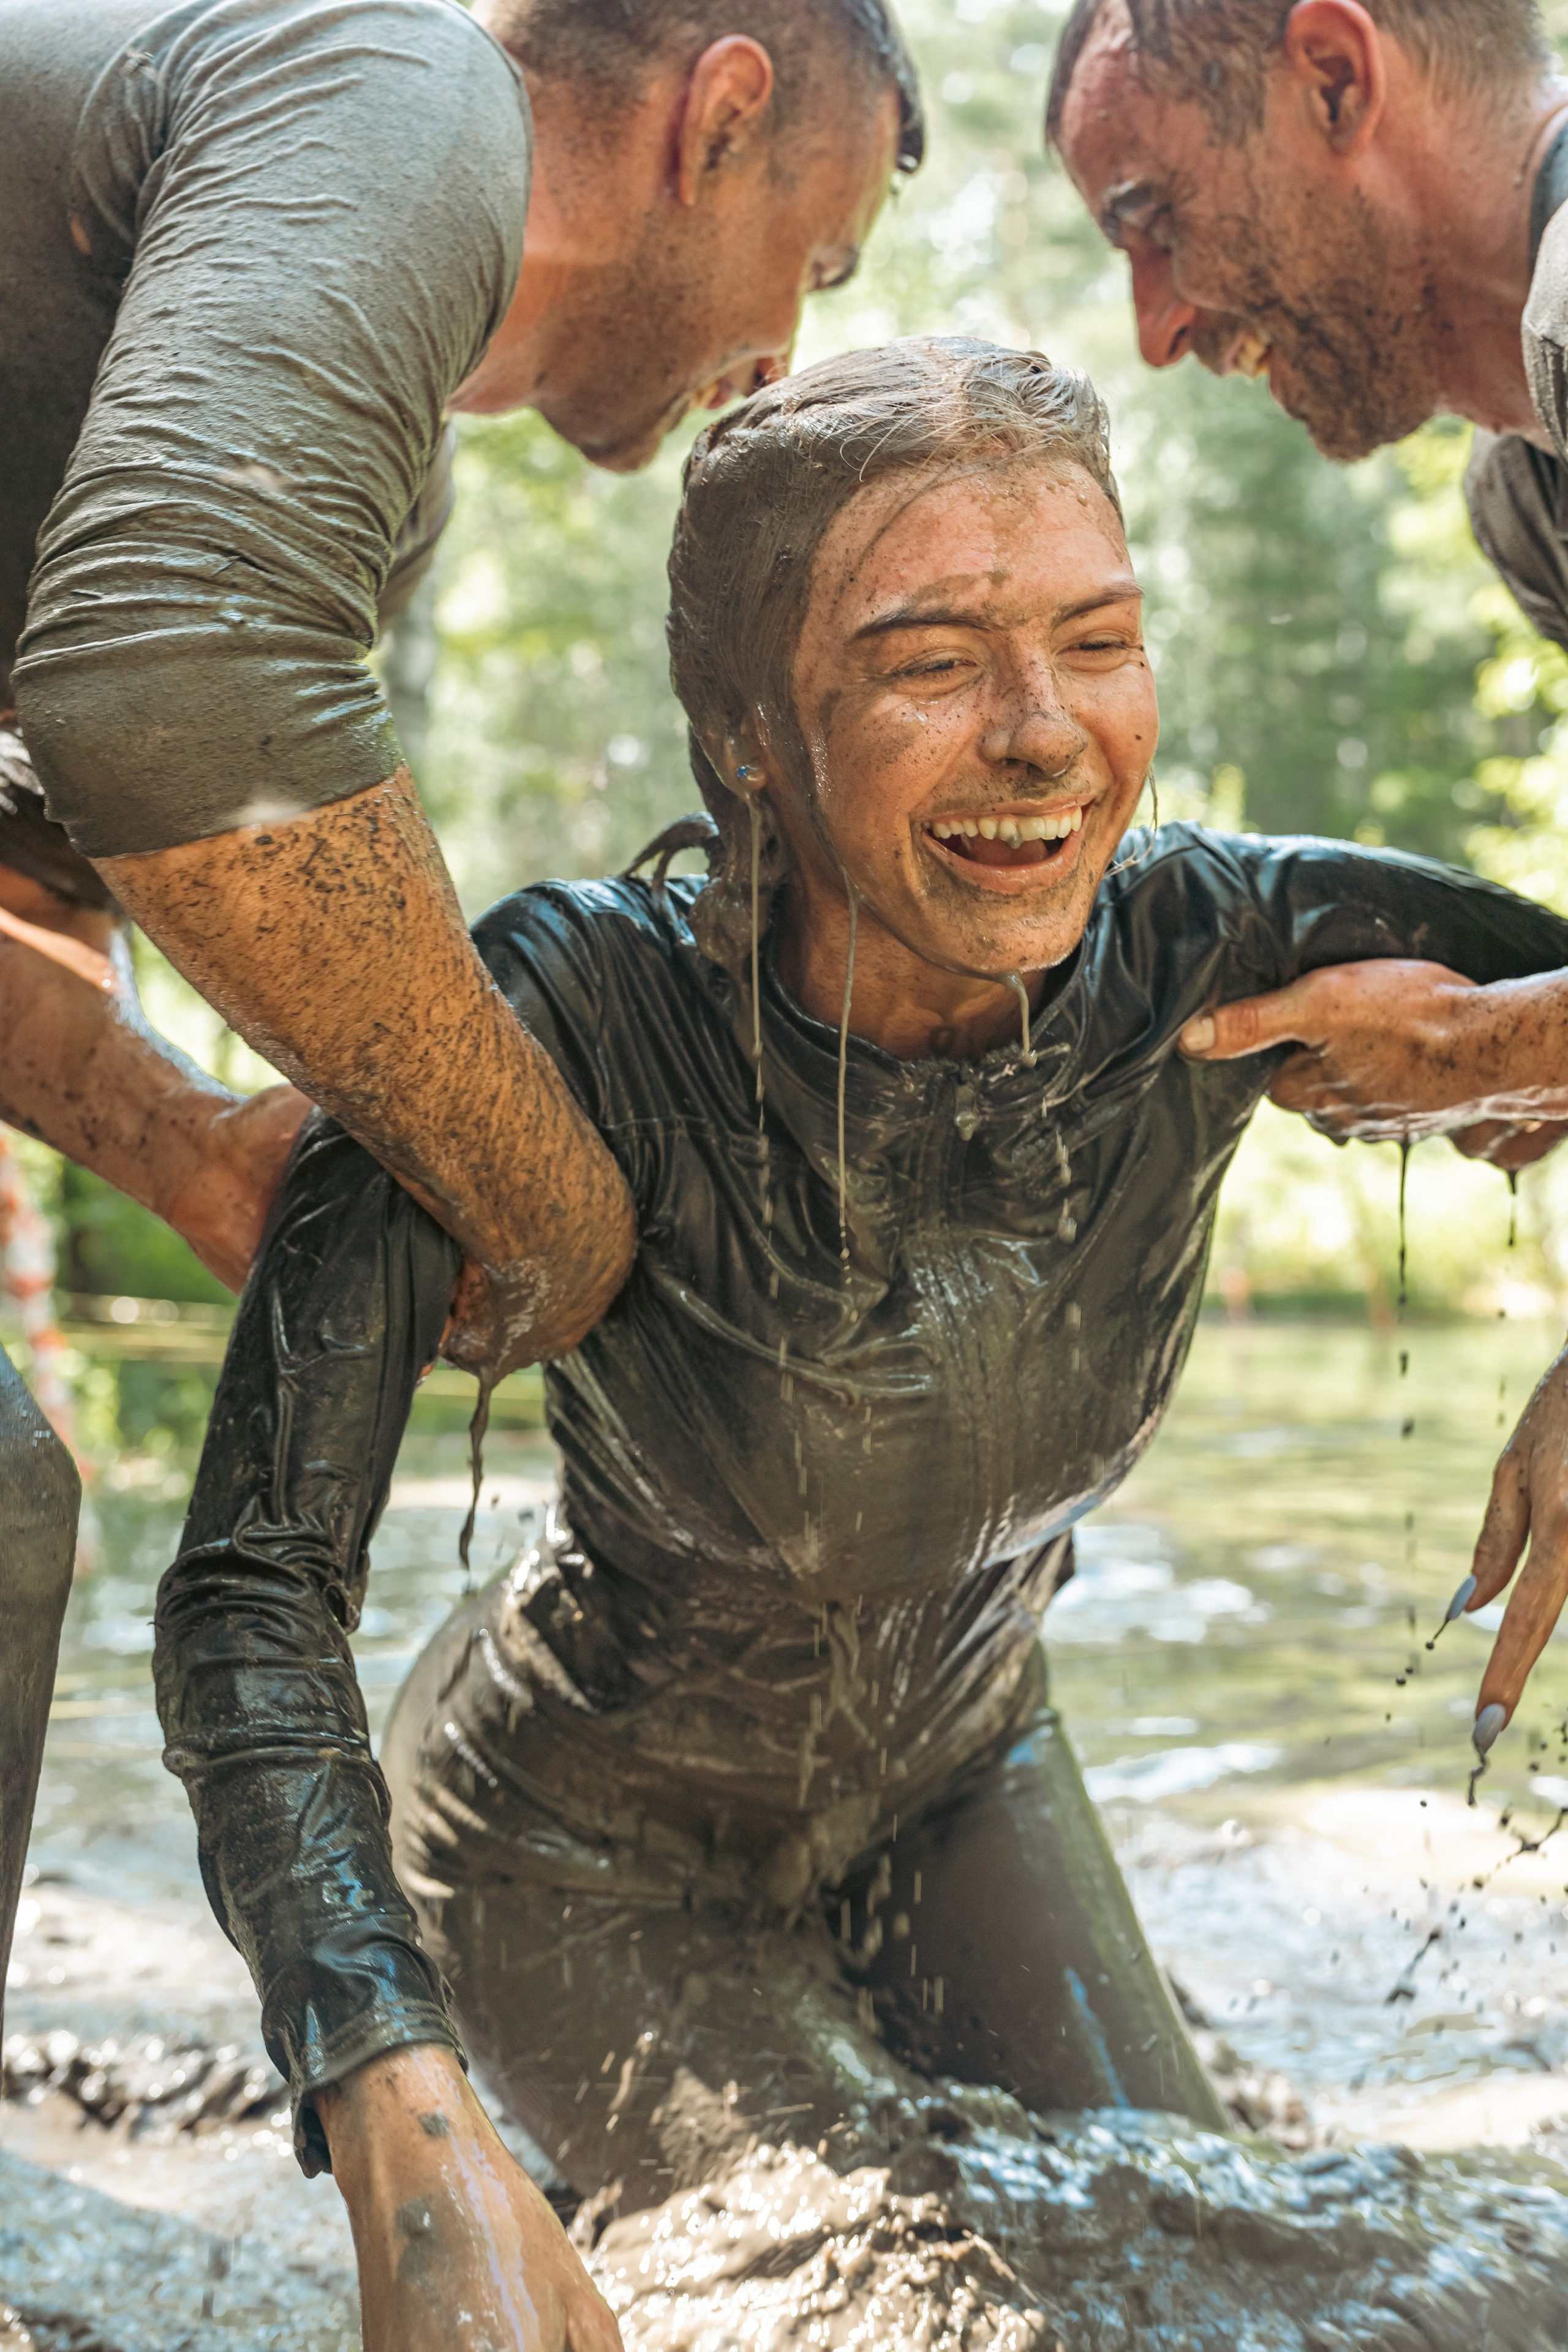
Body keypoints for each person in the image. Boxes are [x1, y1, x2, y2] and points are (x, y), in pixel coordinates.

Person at [158, 336, 1568, 2348]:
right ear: (749, 731)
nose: (1045, 735)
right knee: (929, 2305)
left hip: (967, 1775)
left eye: (1100, 642)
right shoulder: (565, 1022)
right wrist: (387, 2090)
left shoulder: (1216, 953)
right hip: (570, 1852)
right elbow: (249, 1588)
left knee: (1274, 2285)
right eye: (931, 664)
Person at [0, 0, 921, 2267]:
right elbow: (173, 689)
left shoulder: (357, 465)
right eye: (819, 259)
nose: (789, 355)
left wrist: (195, 1145)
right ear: (721, 116)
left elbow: (36, 881)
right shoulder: (398, 86)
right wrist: (550, 1200)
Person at [1046, 0, 1568, 1744]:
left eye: (1153, 217)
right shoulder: (1537, 498)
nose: (1158, 326)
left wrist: (1492, 1046)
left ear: (1336, 77)